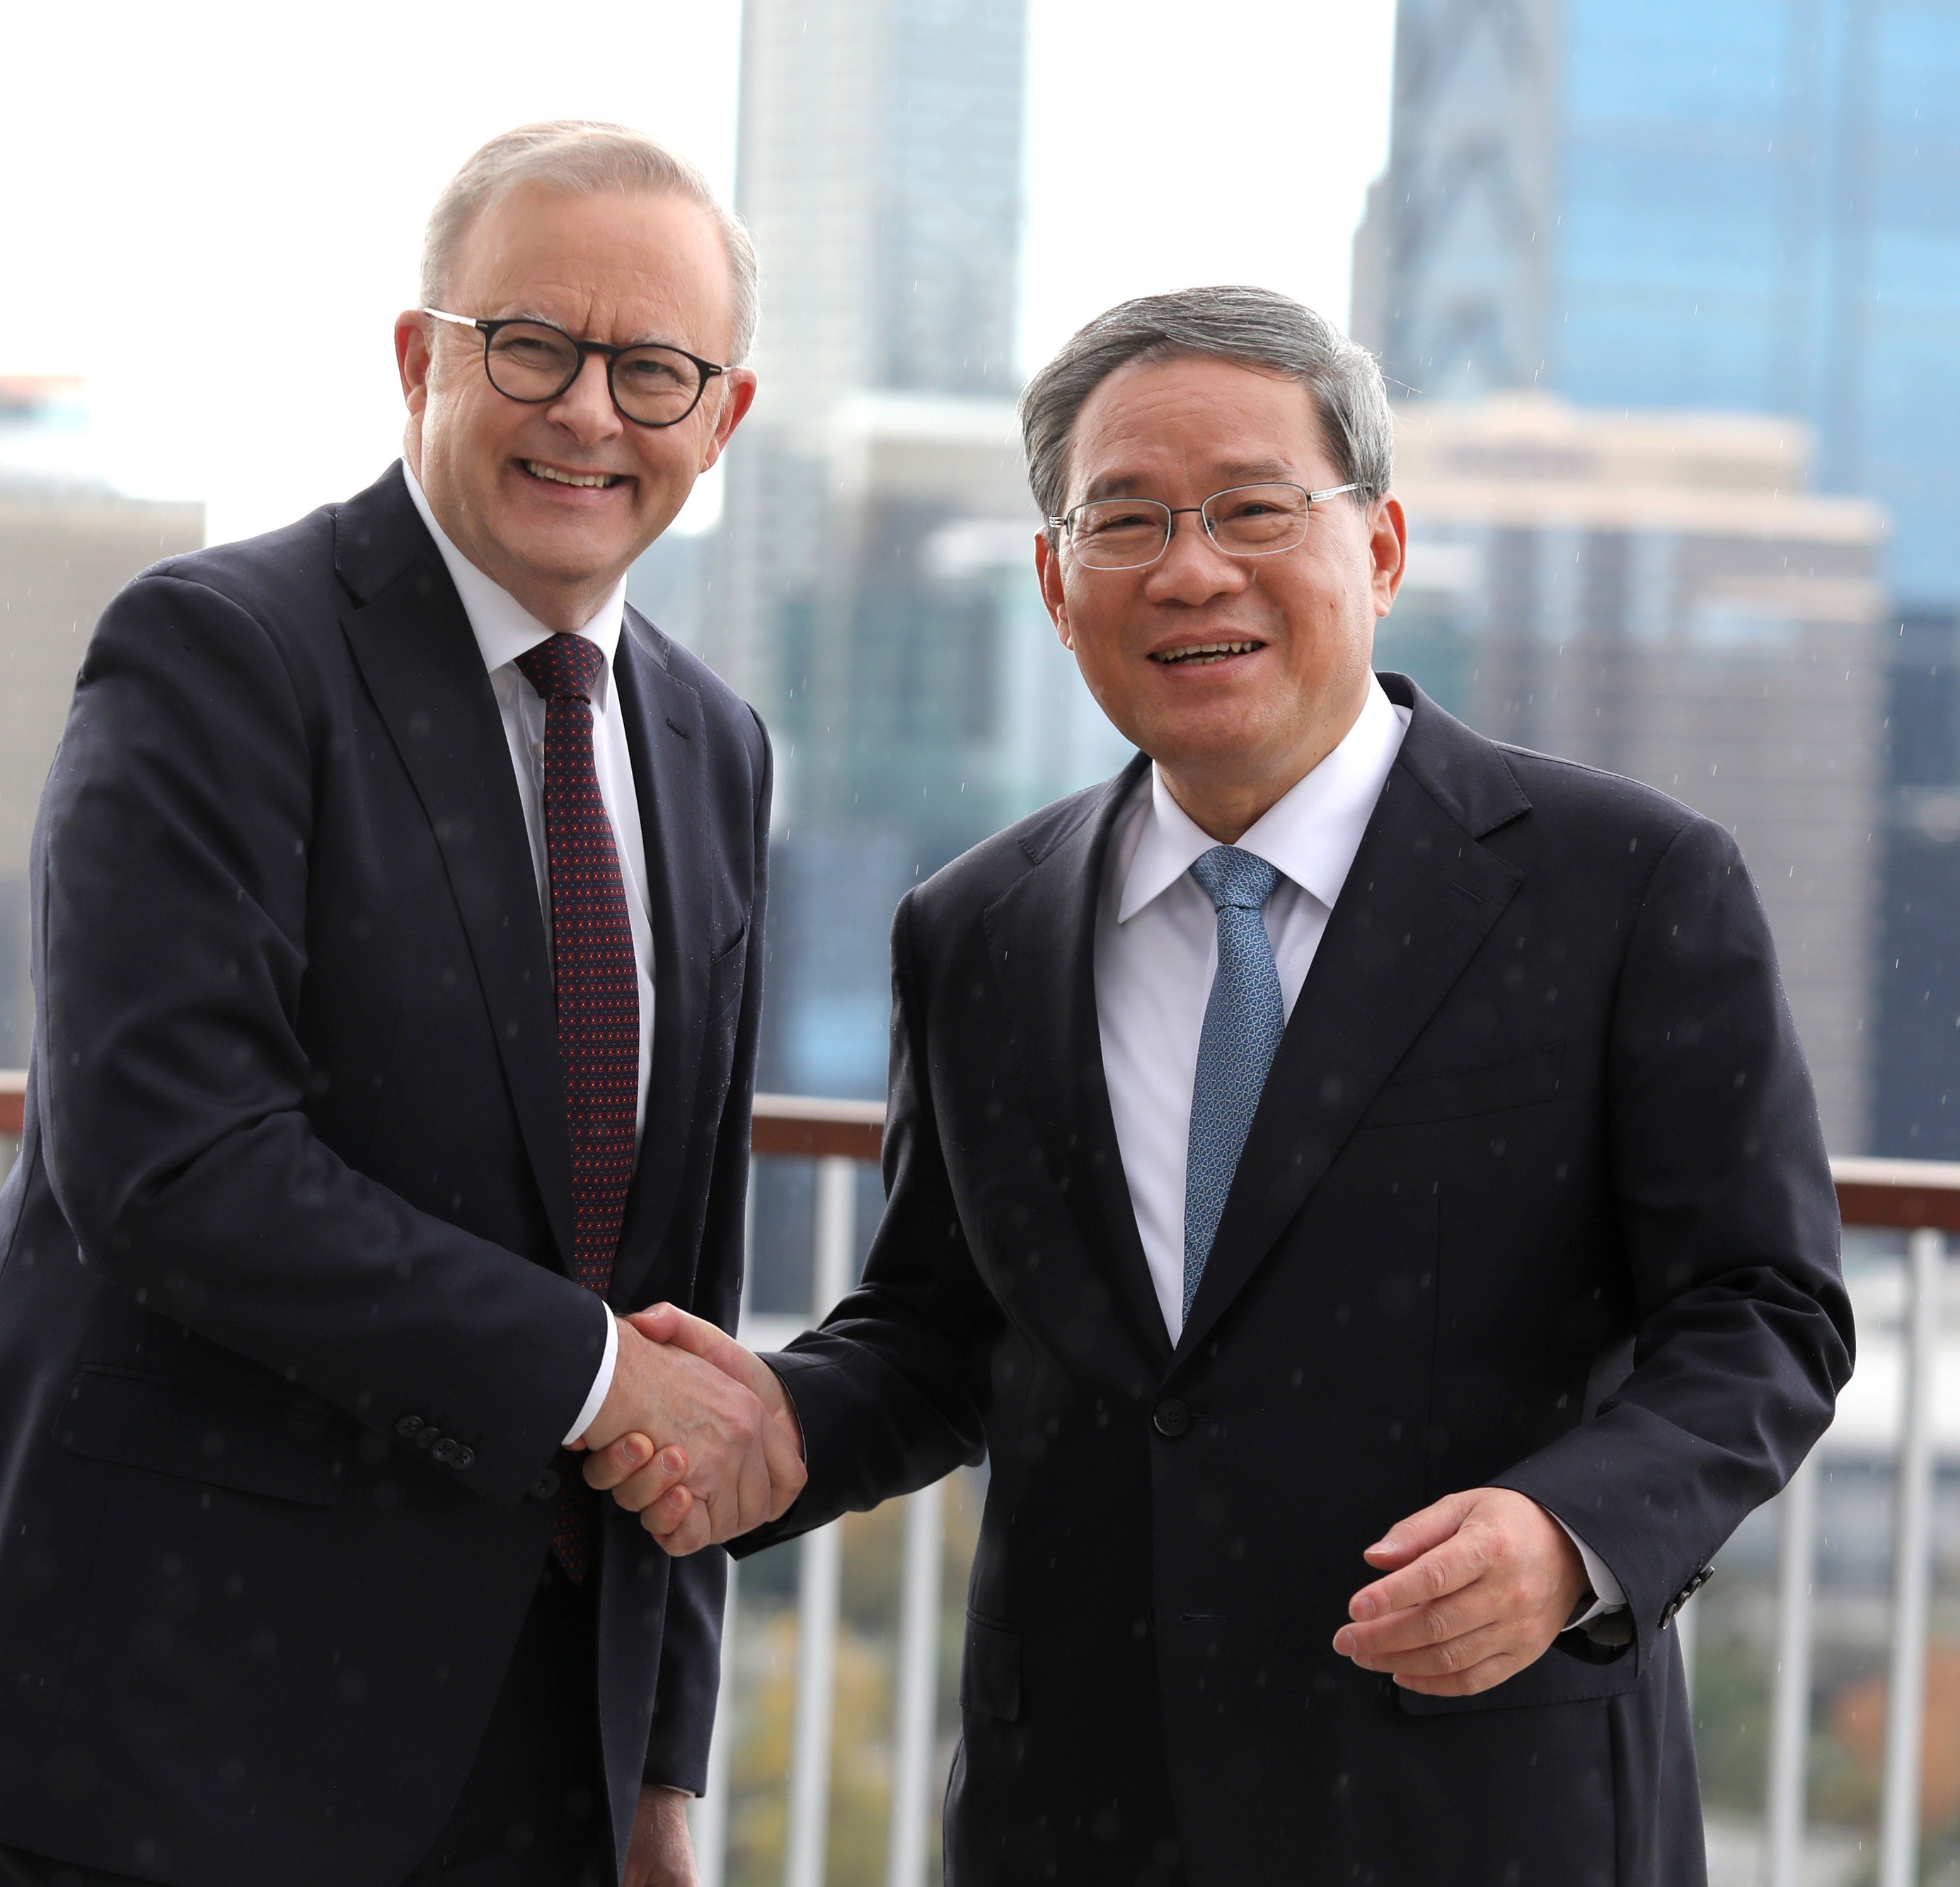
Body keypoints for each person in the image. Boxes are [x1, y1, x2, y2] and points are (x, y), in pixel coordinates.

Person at [589, 286, 1856, 1884]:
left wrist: (1566, 1537)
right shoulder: (973, 927)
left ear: (1379, 546)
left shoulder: (1624, 883)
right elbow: (945, 1329)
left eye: (1255, 508)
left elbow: (1764, 1307)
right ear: (1054, 586)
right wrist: (782, 1421)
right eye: (1122, 521)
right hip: (1080, 1813)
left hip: (1471, 1802)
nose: (1190, 568)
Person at [0, 121, 802, 1887]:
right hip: (170, 1721)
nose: (589, 410)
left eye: (652, 368)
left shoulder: (711, 743)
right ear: (421, 358)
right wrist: (587, 1380)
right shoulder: (219, 652)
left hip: (529, 1753)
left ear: (719, 418)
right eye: (531, 345)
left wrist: (655, 1757)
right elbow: (173, 1163)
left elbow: (683, 1277)